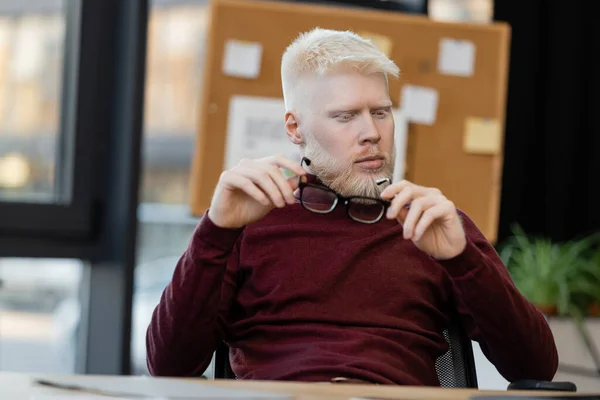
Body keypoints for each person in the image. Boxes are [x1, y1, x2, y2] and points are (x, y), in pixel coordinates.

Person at [146, 28, 558, 386]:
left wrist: (464, 258)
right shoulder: (251, 219)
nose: (371, 133)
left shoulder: (431, 222)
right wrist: (216, 230)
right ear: (295, 127)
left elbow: (535, 367)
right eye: (345, 117)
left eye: (381, 112)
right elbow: (168, 366)